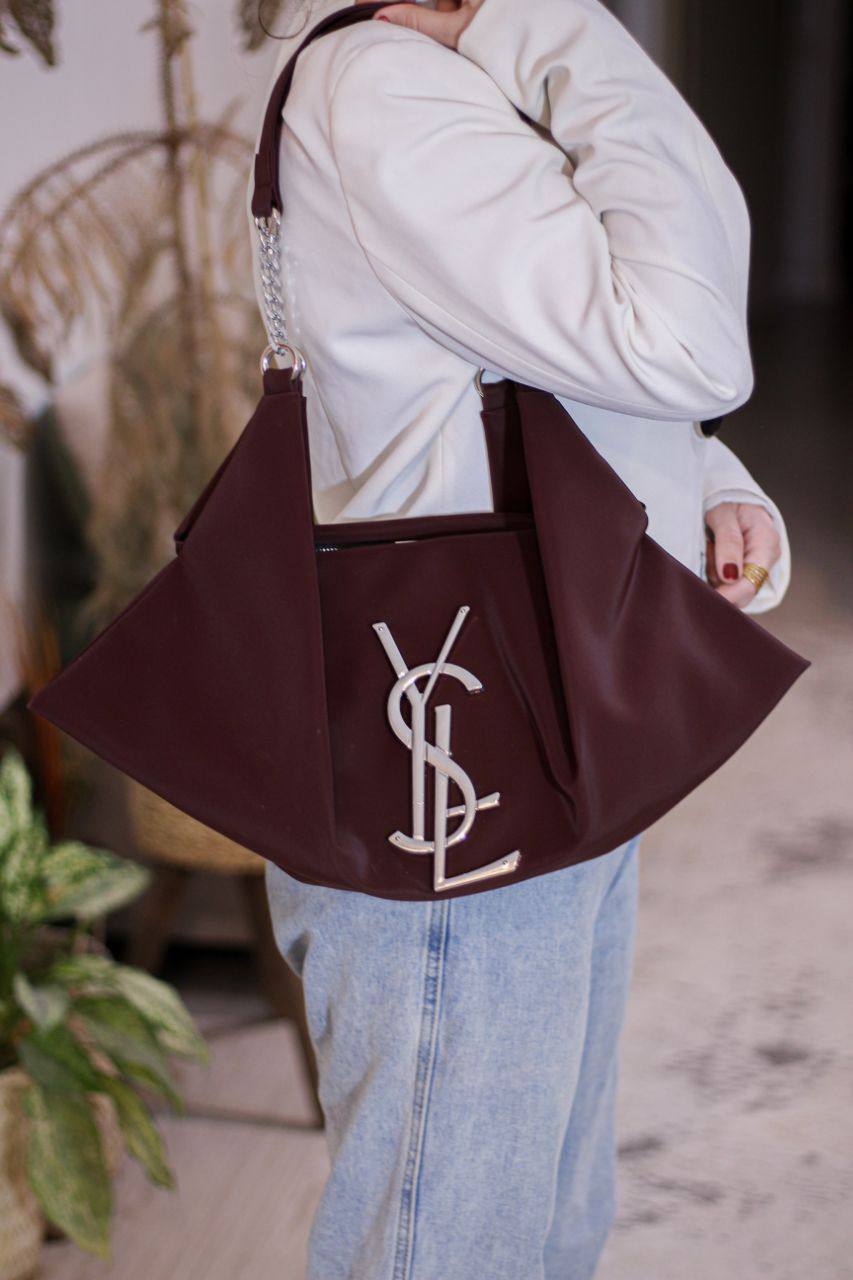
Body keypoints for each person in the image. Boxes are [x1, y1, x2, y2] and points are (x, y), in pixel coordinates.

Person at [250, 1, 789, 1275]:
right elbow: (687, 339)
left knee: (543, 1219)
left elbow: (549, 355)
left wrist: (705, 481)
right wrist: (550, 20)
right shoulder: (383, 86)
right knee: (456, 1239)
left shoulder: (455, 69)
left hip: (542, 707)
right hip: (458, 753)